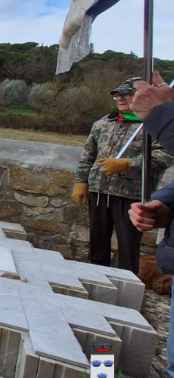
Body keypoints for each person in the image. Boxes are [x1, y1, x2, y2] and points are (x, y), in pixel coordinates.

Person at [73, 77, 173, 275]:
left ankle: (127, 283)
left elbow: (166, 155)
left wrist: (129, 164)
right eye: (118, 95)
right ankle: (95, 277)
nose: (121, 98)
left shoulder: (151, 124)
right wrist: (81, 182)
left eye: (127, 94)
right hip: (100, 191)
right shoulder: (102, 123)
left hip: (131, 194)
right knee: (98, 241)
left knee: (128, 245)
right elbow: (88, 156)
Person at [127, 71, 174, 378]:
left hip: (127, 188)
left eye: (123, 95)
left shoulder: (143, 127)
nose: (120, 100)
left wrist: (163, 116)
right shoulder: (102, 124)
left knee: (127, 251)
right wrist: (167, 204)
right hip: (105, 190)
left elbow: (158, 159)